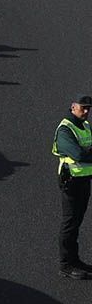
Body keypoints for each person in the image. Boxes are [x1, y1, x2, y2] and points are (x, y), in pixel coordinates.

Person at [55, 96, 92, 279]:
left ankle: (75, 260)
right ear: (73, 107)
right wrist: (87, 152)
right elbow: (77, 154)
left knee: (77, 222)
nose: (86, 112)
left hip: (84, 181)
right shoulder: (65, 129)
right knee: (69, 223)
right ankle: (65, 265)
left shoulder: (85, 126)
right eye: (83, 108)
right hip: (70, 183)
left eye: (88, 109)